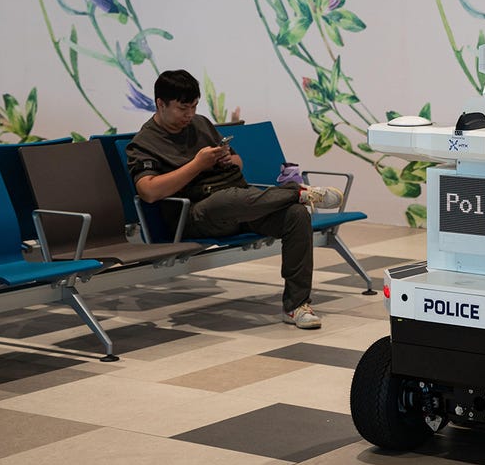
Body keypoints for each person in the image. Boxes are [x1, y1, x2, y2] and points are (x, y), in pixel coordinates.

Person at [126, 70, 341, 329]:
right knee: (225, 199)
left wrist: (228, 159)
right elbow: (148, 191)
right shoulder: (144, 143)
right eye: (183, 108)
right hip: (195, 214)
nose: (189, 115)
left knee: (296, 215)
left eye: (194, 107)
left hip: (240, 202)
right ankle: (297, 192)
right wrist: (197, 164)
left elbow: (238, 163)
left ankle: (296, 305)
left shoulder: (201, 124)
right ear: (160, 103)